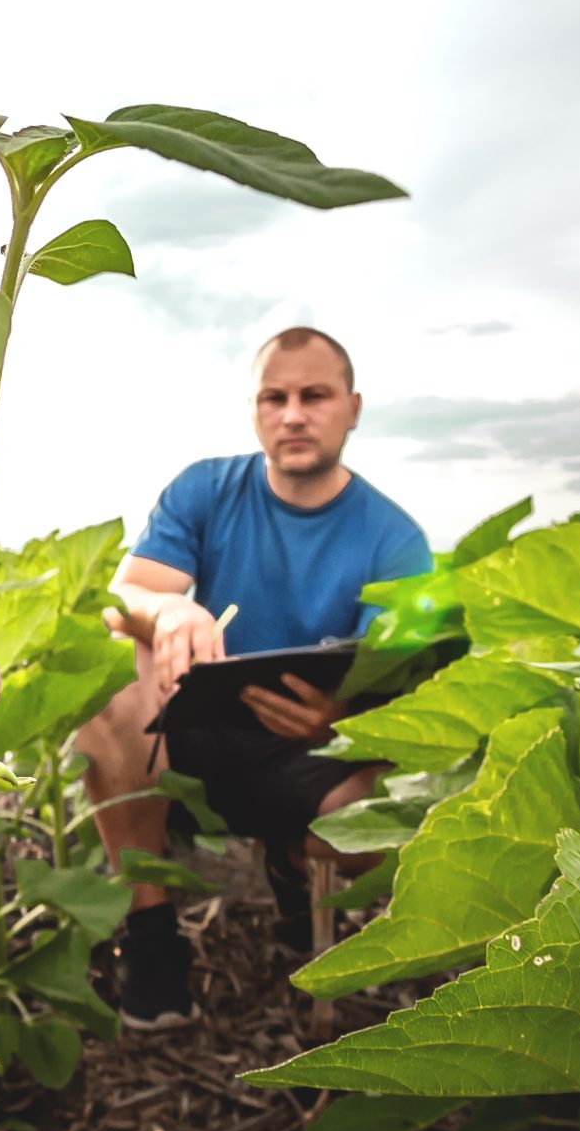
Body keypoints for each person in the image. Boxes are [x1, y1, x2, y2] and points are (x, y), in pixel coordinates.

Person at [75, 326, 434, 1027]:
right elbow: (131, 595)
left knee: (385, 824)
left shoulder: (398, 541)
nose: (293, 413)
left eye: (315, 396)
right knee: (111, 672)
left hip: (312, 752)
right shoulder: (205, 489)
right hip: (188, 736)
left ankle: (296, 865)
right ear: (256, 410)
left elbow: (417, 688)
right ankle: (149, 937)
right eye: (275, 397)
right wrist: (170, 610)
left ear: (353, 408)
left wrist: (342, 719)